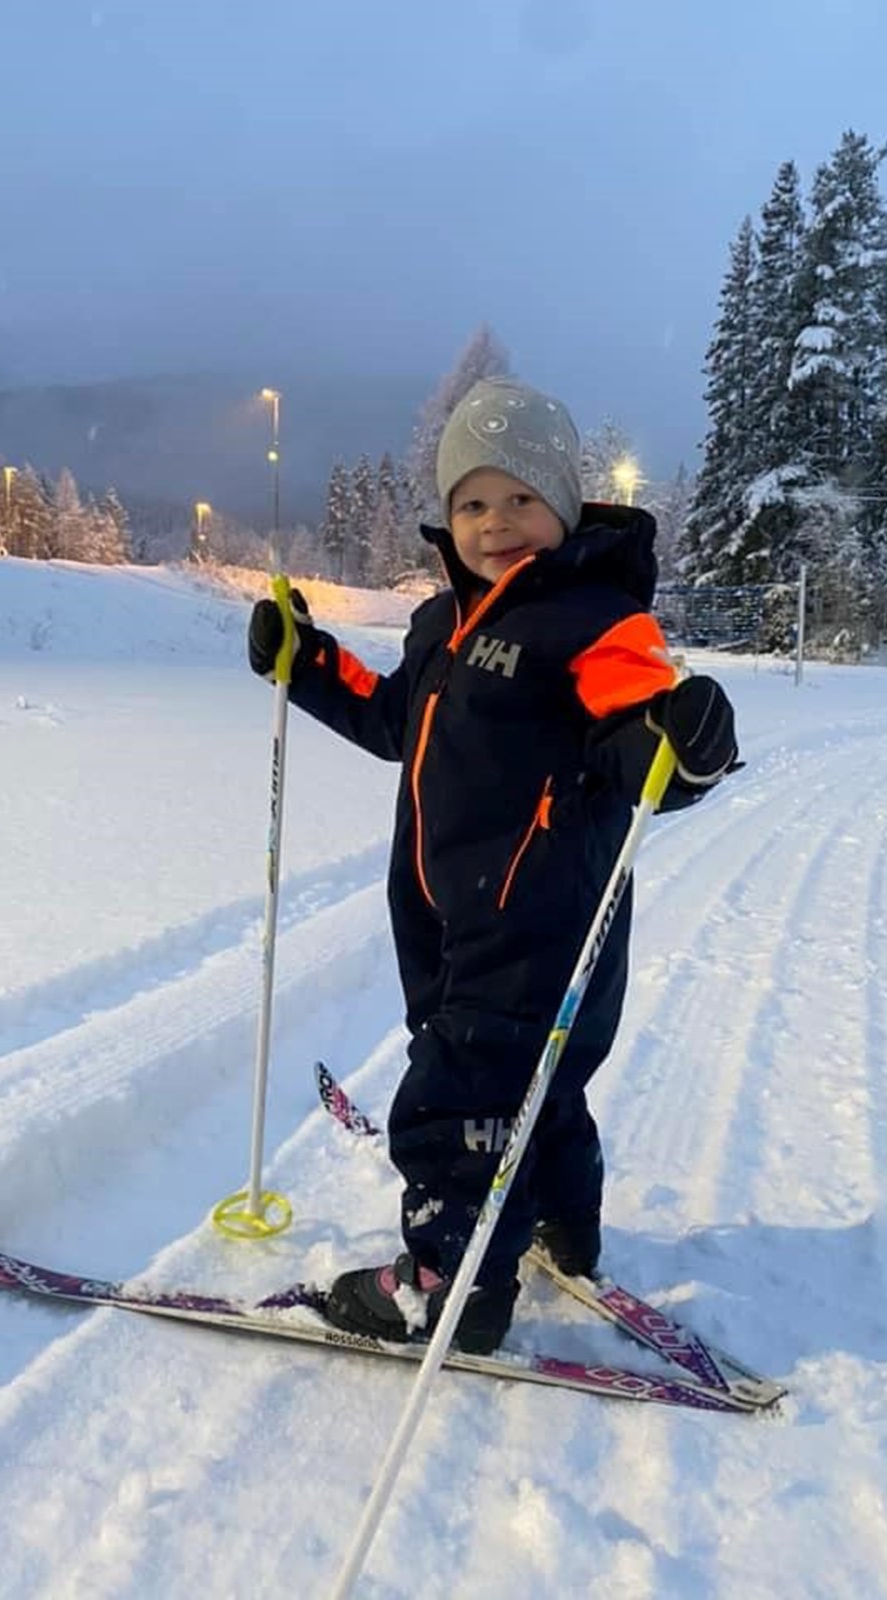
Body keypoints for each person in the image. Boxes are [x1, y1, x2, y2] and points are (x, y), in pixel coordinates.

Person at [248, 377, 738, 1354]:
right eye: (473, 501)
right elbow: (394, 718)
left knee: (457, 1099)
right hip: (450, 923)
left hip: (540, 927)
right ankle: (567, 1225)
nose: (497, 522)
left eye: (521, 497)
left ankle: (451, 1282)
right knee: (535, 1094)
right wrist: (305, 662)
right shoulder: (443, 630)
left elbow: (640, 733)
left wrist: (680, 744)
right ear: (448, 516)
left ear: (563, 504)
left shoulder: (594, 621)